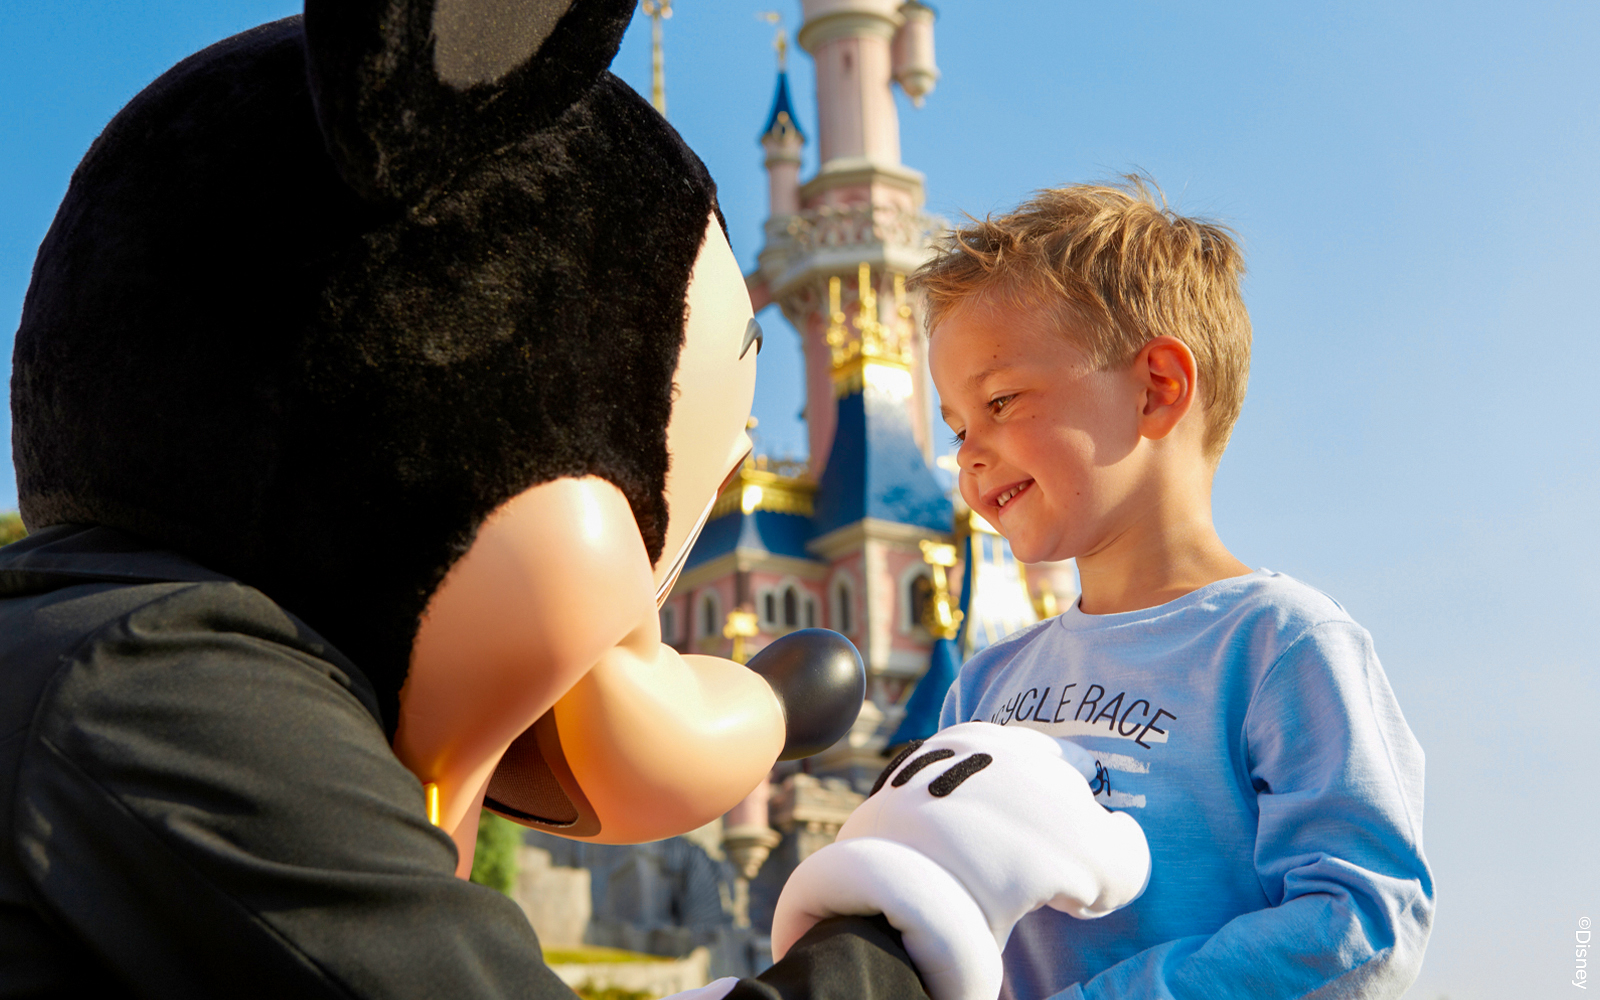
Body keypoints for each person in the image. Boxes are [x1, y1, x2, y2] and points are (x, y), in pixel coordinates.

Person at [917, 179, 1434, 998]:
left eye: (1001, 401)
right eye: (955, 427)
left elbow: (1361, 921)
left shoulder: (1278, 646)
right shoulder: (983, 684)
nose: (968, 456)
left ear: (1158, 386)